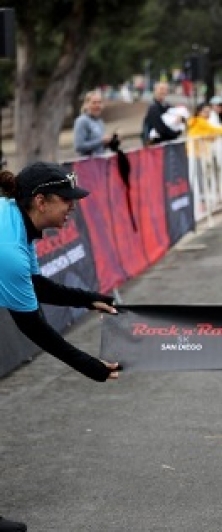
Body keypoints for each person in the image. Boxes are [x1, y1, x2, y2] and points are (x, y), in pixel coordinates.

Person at [0, 162, 121, 532]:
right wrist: (91, 367)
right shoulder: (9, 250)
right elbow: (36, 329)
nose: (72, 206)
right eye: (66, 200)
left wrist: (90, 299)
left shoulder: (19, 222)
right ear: (40, 201)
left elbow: (39, 286)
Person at [73, 90, 117, 157]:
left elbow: (100, 147)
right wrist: (101, 141)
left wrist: (112, 141)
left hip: (100, 162)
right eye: (94, 103)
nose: (97, 105)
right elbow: (79, 147)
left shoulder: (99, 121)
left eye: (99, 102)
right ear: (86, 105)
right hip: (88, 164)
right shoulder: (82, 121)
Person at [142, 81, 181, 145]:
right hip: (156, 146)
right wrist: (175, 134)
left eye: (166, 90)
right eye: (161, 89)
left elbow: (179, 118)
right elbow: (161, 130)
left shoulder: (167, 106)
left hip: (165, 143)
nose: (163, 91)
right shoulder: (153, 108)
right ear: (155, 90)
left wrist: (180, 119)